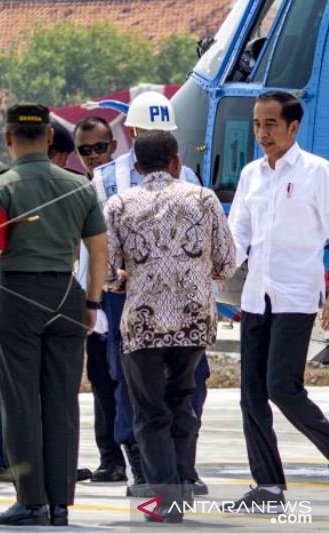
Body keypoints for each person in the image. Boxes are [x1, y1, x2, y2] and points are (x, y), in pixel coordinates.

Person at [225, 91, 329, 512]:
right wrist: (209, 278)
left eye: (270, 124)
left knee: (282, 388)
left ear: (293, 127)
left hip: (296, 297)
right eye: (256, 124)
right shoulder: (251, 175)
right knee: (251, 395)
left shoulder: (317, 172)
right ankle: (267, 488)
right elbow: (236, 240)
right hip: (257, 297)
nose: (262, 133)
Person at [0, 104, 107, 527]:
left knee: (21, 401)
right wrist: (92, 303)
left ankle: (31, 501)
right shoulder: (79, 185)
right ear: (50, 138)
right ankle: (61, 503)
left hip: (17, 295)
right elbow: (98, 250)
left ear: (8, 139)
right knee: (62, 401)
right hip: (68, 296)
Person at [104, 130, 236, 523]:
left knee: (149, 411)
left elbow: (110, 272)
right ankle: (182, 488)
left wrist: (127, 279)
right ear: (177, 162)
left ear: (138, 166)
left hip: (143, 323)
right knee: (183, 401)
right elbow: (227, 261)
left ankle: (164, 500)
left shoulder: (119, 203)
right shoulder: (203, 198)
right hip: (193, 320)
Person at [91, 91, 211, 496]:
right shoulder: (106, 179)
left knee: (191, 381)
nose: (158, 137)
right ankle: (141, 466)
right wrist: (96, 301)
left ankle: (180, 468)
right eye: (151, 130)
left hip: (177, 297)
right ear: (134, 130)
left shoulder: (190, 178)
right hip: (127, 295)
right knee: (132, 387)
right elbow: (91, 247)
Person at [72, 116, 133, 484]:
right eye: (85, 150)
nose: (94, 155)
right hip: (90, 298)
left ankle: (132, 453)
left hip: (122, 298)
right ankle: (110, 457)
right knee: (99, 380)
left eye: (100, 147)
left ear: (113, 145)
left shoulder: (125, 185)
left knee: (127, 381)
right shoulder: (77, 188)